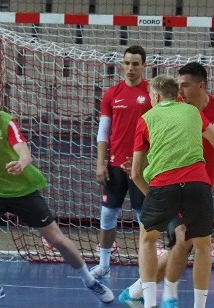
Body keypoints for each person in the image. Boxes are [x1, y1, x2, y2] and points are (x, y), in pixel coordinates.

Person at [0, 83, 114, 307]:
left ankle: (89, 280)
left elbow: (24, 151)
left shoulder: (5, 123)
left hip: (22, 190)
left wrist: (21, 163)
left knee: (56, 239)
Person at [119, 62, 214, 308]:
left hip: (175, 185)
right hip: (195, 185)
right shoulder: (189, 110)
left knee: (173, 241)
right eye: (178, 86)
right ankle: (175, 301)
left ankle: (143, 297)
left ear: (199, 86)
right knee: (186, 241)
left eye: (185, 85)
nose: (181, 90)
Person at [91, 45, 153, 279]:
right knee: (107, 215)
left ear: (144, 65)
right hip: (115, 167)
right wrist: (100, 163)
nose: (130, 68)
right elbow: (103, 132)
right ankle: (104, 264)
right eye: (127, 63)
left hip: (142, 167)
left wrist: (147, 161)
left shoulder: (151, 94)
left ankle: (145, 269)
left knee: (143, 219)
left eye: (135, 63)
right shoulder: (111, 94)